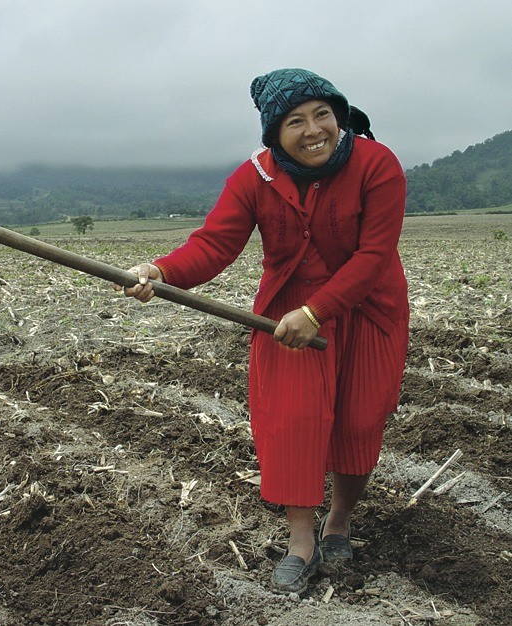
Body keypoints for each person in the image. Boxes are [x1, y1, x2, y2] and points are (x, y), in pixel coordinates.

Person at [117, 68, 409, 595]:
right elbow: (213, 244)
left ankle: (338, 523)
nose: (314, 129)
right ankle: (301, 542)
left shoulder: (376, 163)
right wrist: (160, 272)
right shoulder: (254, 177)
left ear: (339, 117)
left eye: (323, 114)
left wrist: (318, 311)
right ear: (274, 133)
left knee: (360, 421)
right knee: (294, 422)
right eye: (295, 121)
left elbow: (374, 255)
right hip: (286, 317)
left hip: (368, 309)